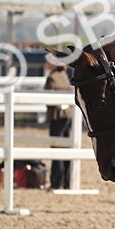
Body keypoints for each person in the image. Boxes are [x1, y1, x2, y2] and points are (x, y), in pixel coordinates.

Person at [45, 62, 73, 190]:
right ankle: (66, 181)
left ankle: (57, 181)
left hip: (57, 115)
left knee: (57, 146)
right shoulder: (64, 75)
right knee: (67, 146)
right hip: (68, 114)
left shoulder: (53, 77)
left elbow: (48, 98)